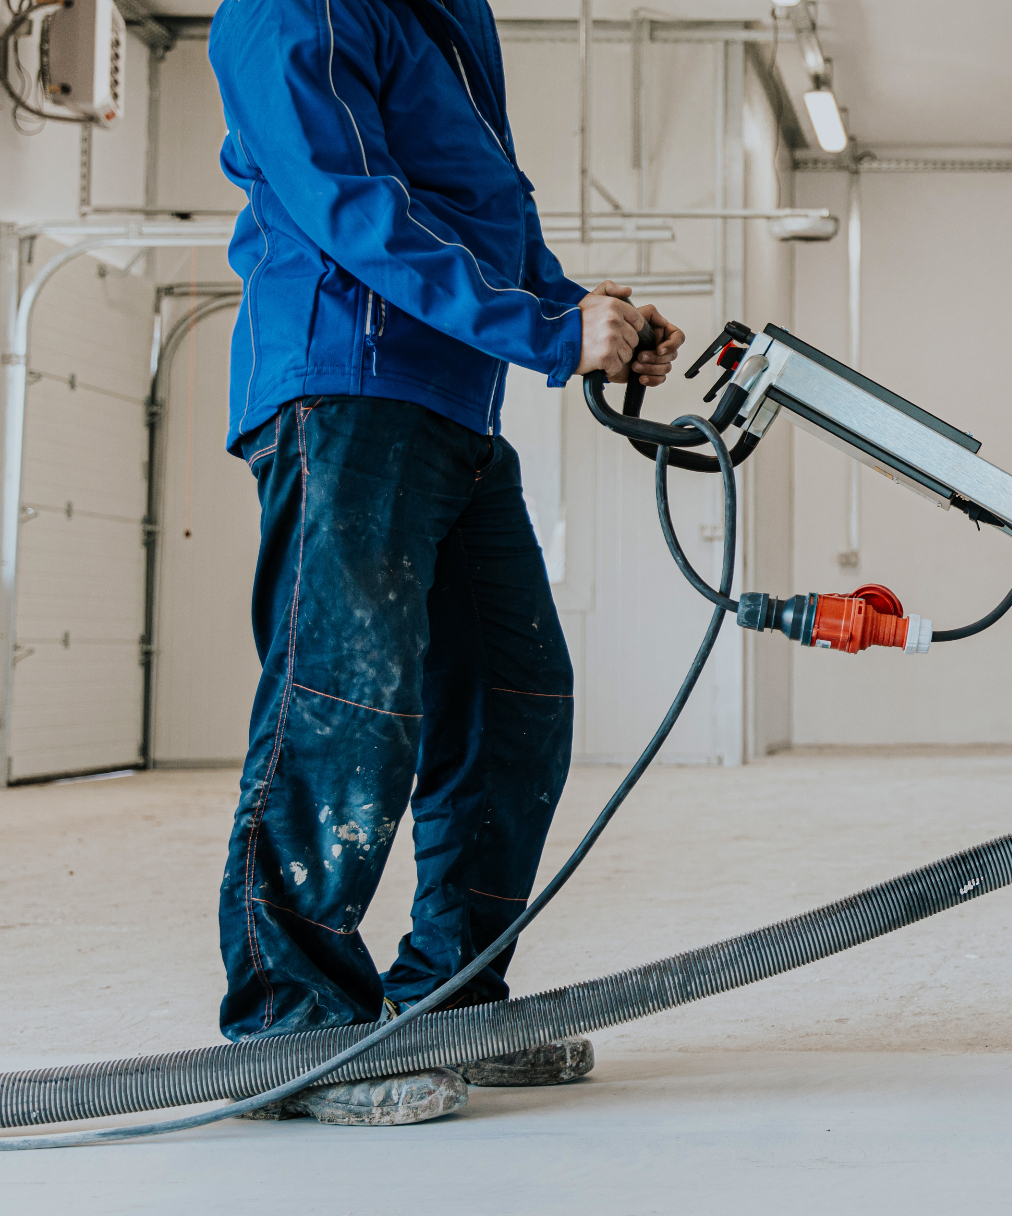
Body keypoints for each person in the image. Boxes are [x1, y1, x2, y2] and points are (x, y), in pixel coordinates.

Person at [206, 0, 685, 1126]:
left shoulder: (445, 15)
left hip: (454, 406)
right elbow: (351, 205)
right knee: (343, 703)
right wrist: (546, 334)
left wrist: (579, 309)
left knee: (517, 699)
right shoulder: (292, 8)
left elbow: (482, 209)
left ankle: (450, 998)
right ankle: (298, 1025)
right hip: (348, 387)